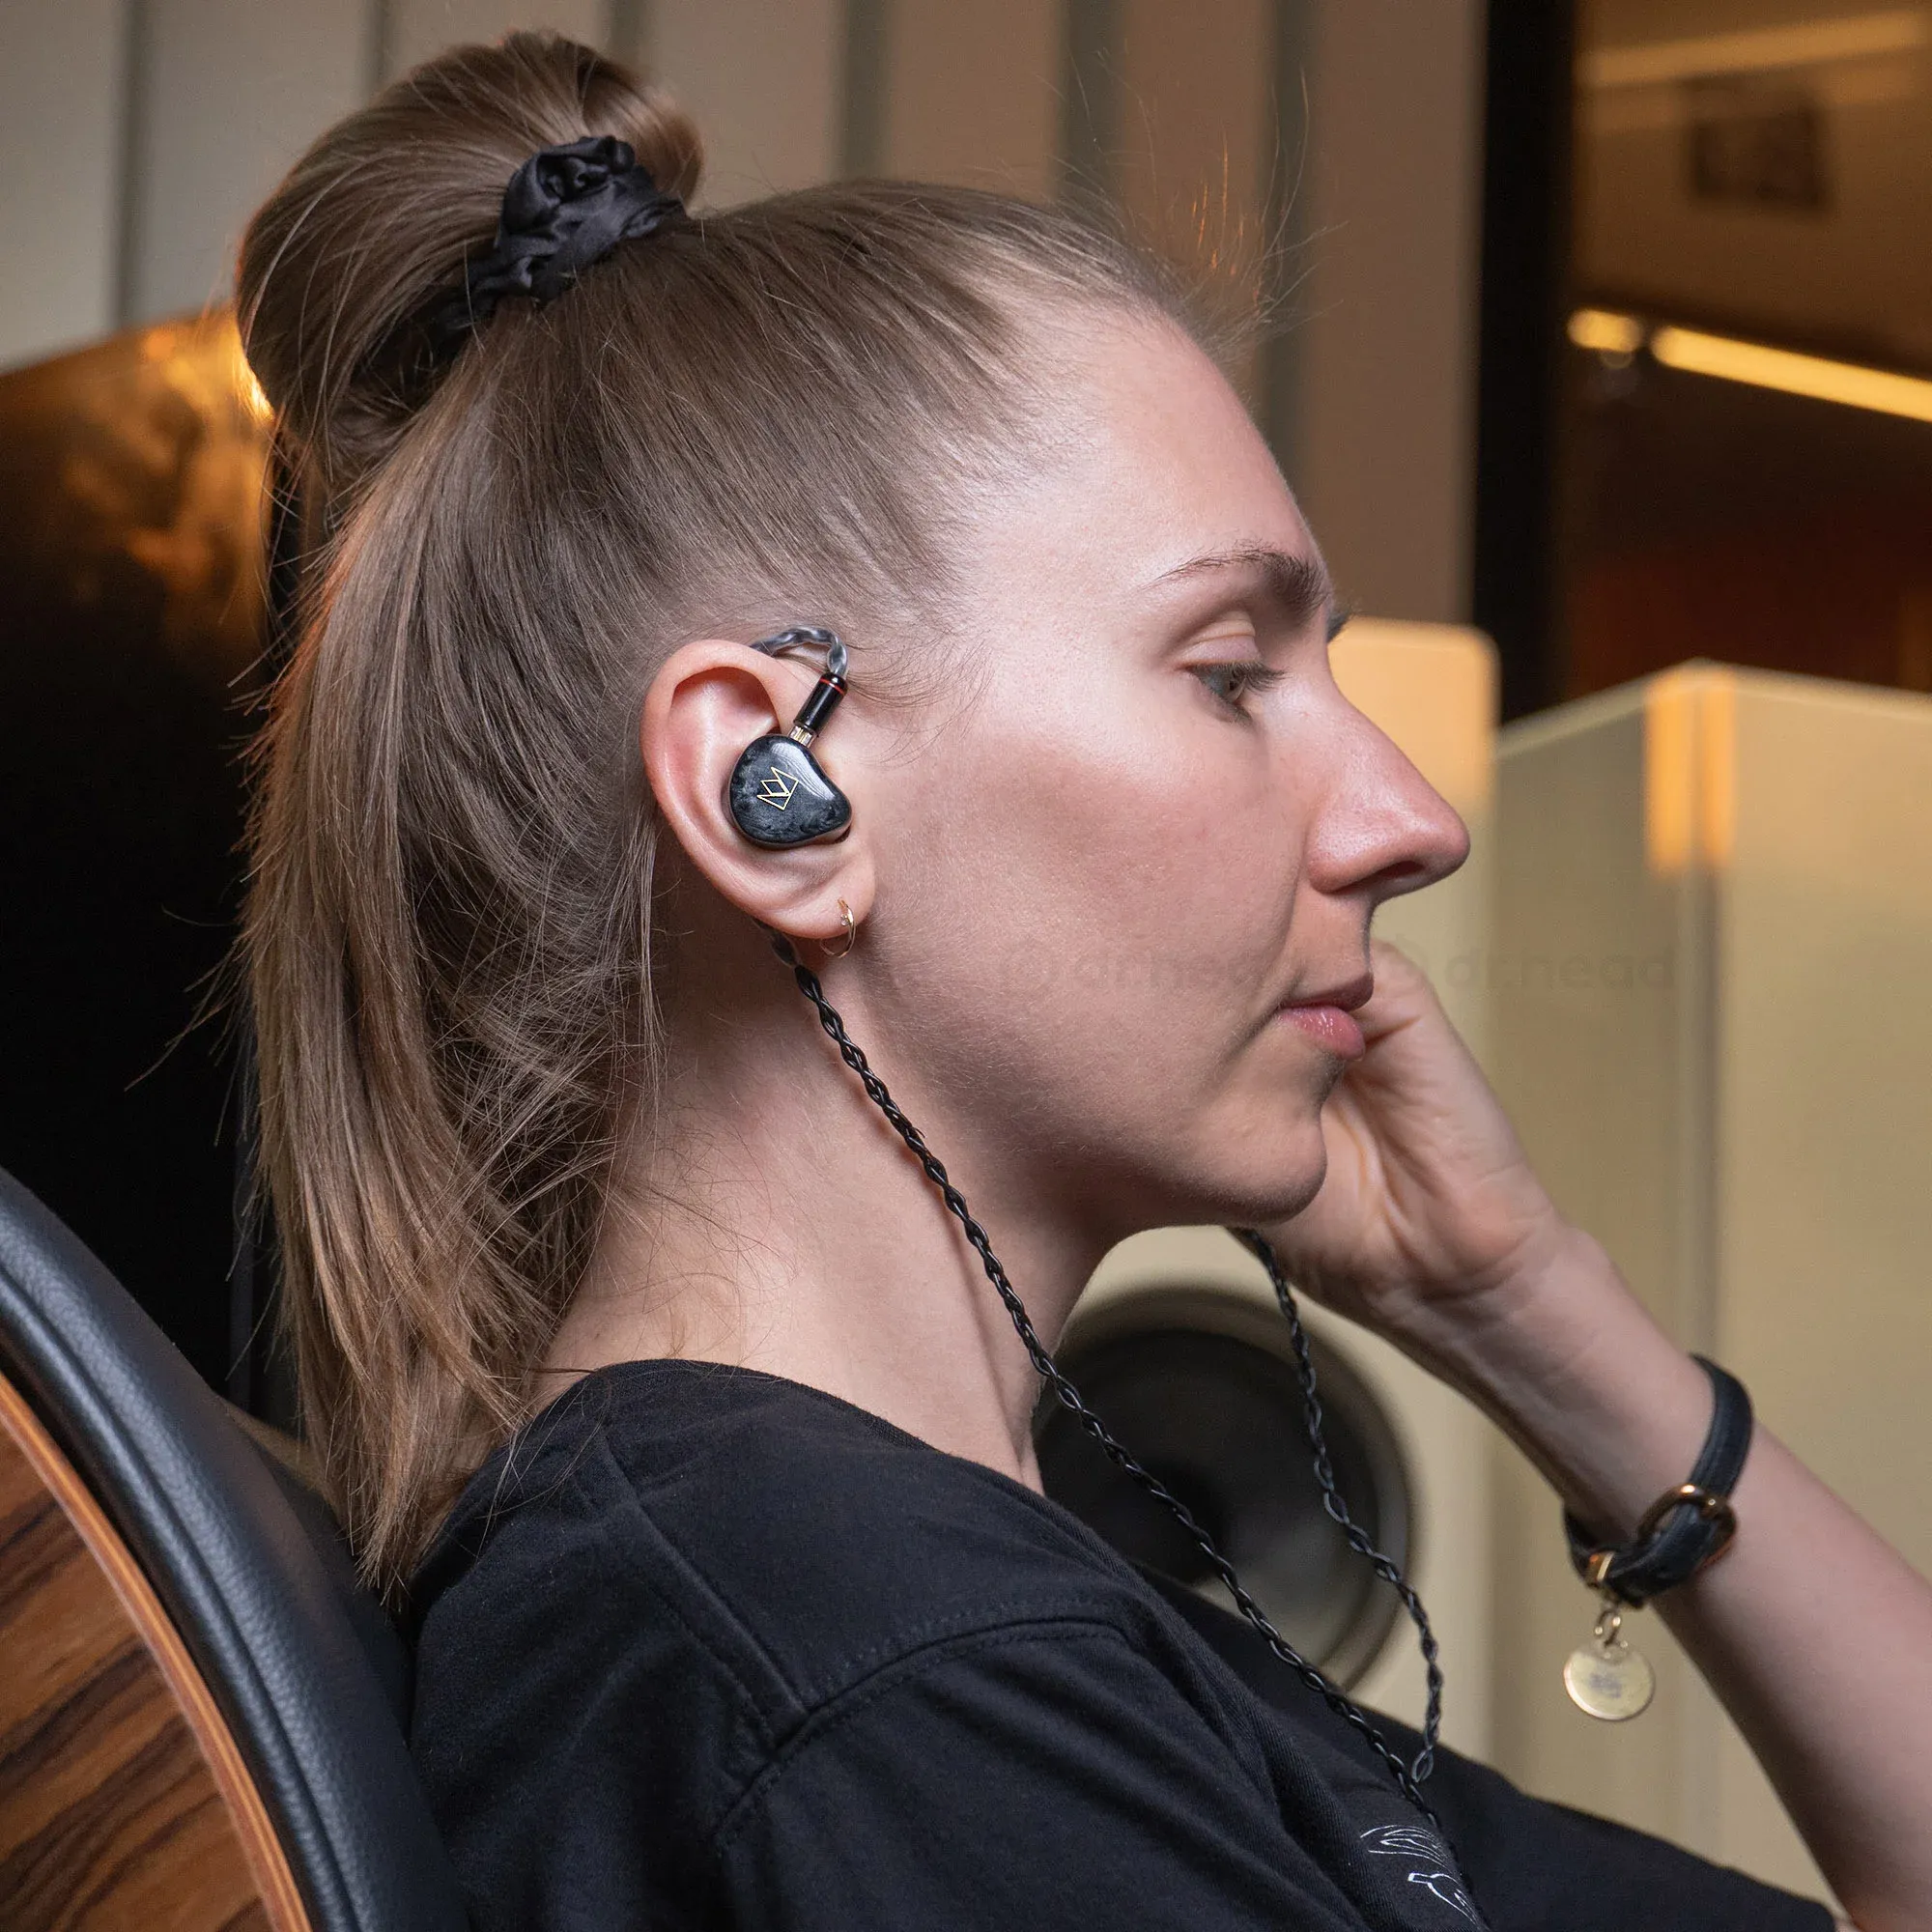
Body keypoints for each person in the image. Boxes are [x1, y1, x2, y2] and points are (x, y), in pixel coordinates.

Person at [235, 31, 1931, 1932]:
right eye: (1229, 674)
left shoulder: (963, 1629)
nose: (1413, 821)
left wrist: (1523, 1306)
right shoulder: (885, 1674)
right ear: (772, 787)